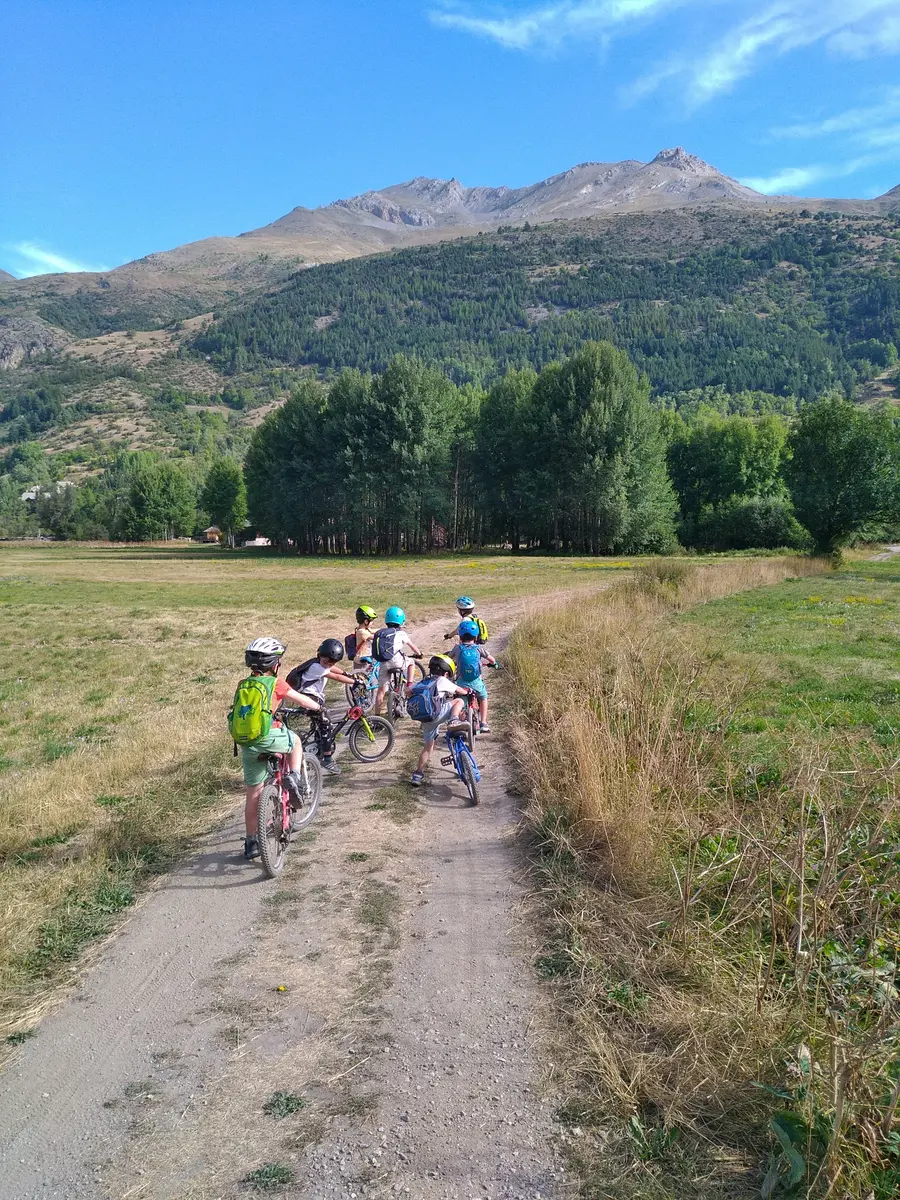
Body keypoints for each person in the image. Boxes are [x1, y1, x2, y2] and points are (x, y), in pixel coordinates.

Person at [233, 636, 322, 862]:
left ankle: (251, 842)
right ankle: (292, 777)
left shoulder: (243, 685)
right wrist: (318, 707)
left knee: (253, 794)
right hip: (268, 735)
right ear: (275, 664)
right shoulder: (276, 683)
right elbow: (301, 700)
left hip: (247, 742)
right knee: (295, 742)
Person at [286, 638, 357, 775]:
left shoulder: (318, 662)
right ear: (320, 655)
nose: (328, 664)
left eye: (331, 662)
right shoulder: (316, 667)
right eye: (326, 661)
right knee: (326, 724)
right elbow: (334, 676)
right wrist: (354, 682)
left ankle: (318, 746)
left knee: (319, 721)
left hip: (311, 696)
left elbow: (332, 669)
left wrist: (345, 673)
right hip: (308, 698)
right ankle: (327, 759)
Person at [409, 654, 472, 787]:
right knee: (458, 701)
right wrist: (468, 692)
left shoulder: (423, 682)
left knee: (428, 747)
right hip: (438, 714)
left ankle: (418, 774)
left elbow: (408, 691)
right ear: (446, 672)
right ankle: (454, 720)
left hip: (426, 719)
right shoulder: (442, 681)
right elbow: (460, 690)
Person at [448, 618, 497, 733]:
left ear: (460, 637)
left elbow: (449, 659)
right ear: (475, 637)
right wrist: (493, 664)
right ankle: (483, 723)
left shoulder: (457, 648)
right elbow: (491, 659)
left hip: (461, 682)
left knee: (460, 701)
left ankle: (459, 725)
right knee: (483, 697)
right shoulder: (478, 648)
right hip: (476, 682)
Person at [372, 606, 423, 716]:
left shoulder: (381, 633)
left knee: (381, 690)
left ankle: (377, 717)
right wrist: (419, 654)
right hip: (397, 662)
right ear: (401, 621)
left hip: (384, 662)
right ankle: (409, 685)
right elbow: (412, 646)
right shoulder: (401, 634)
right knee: (411, 663)